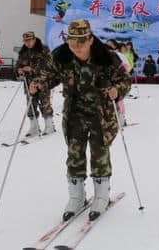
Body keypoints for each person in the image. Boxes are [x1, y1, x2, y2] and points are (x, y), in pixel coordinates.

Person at [29, 20, 131, 221]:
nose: (76, 48)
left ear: (90, 40)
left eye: (81, 43)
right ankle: (76, 197)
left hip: (101, 115)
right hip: (74, 114)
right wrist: (38, 84)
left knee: (99, 153)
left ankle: (101, 195)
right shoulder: (62, 56)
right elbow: (49, 76)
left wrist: (116, 90)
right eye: (72, 42)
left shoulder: (106, 58)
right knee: (74, 155)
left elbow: (124, 80)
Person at [16, 32, 55, 136]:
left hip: (42, 81)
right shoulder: (23, 51)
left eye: (29, 40)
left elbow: (48, 67)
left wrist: (32, 69)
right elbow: (18, 64)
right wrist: (19, 69)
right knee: (30, 105)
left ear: (34, 39)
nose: (27, 43)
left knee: (44, 103)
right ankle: (34, 126)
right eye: (25, 41)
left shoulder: (44, 49)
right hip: (28, 82)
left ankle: (49, 126)